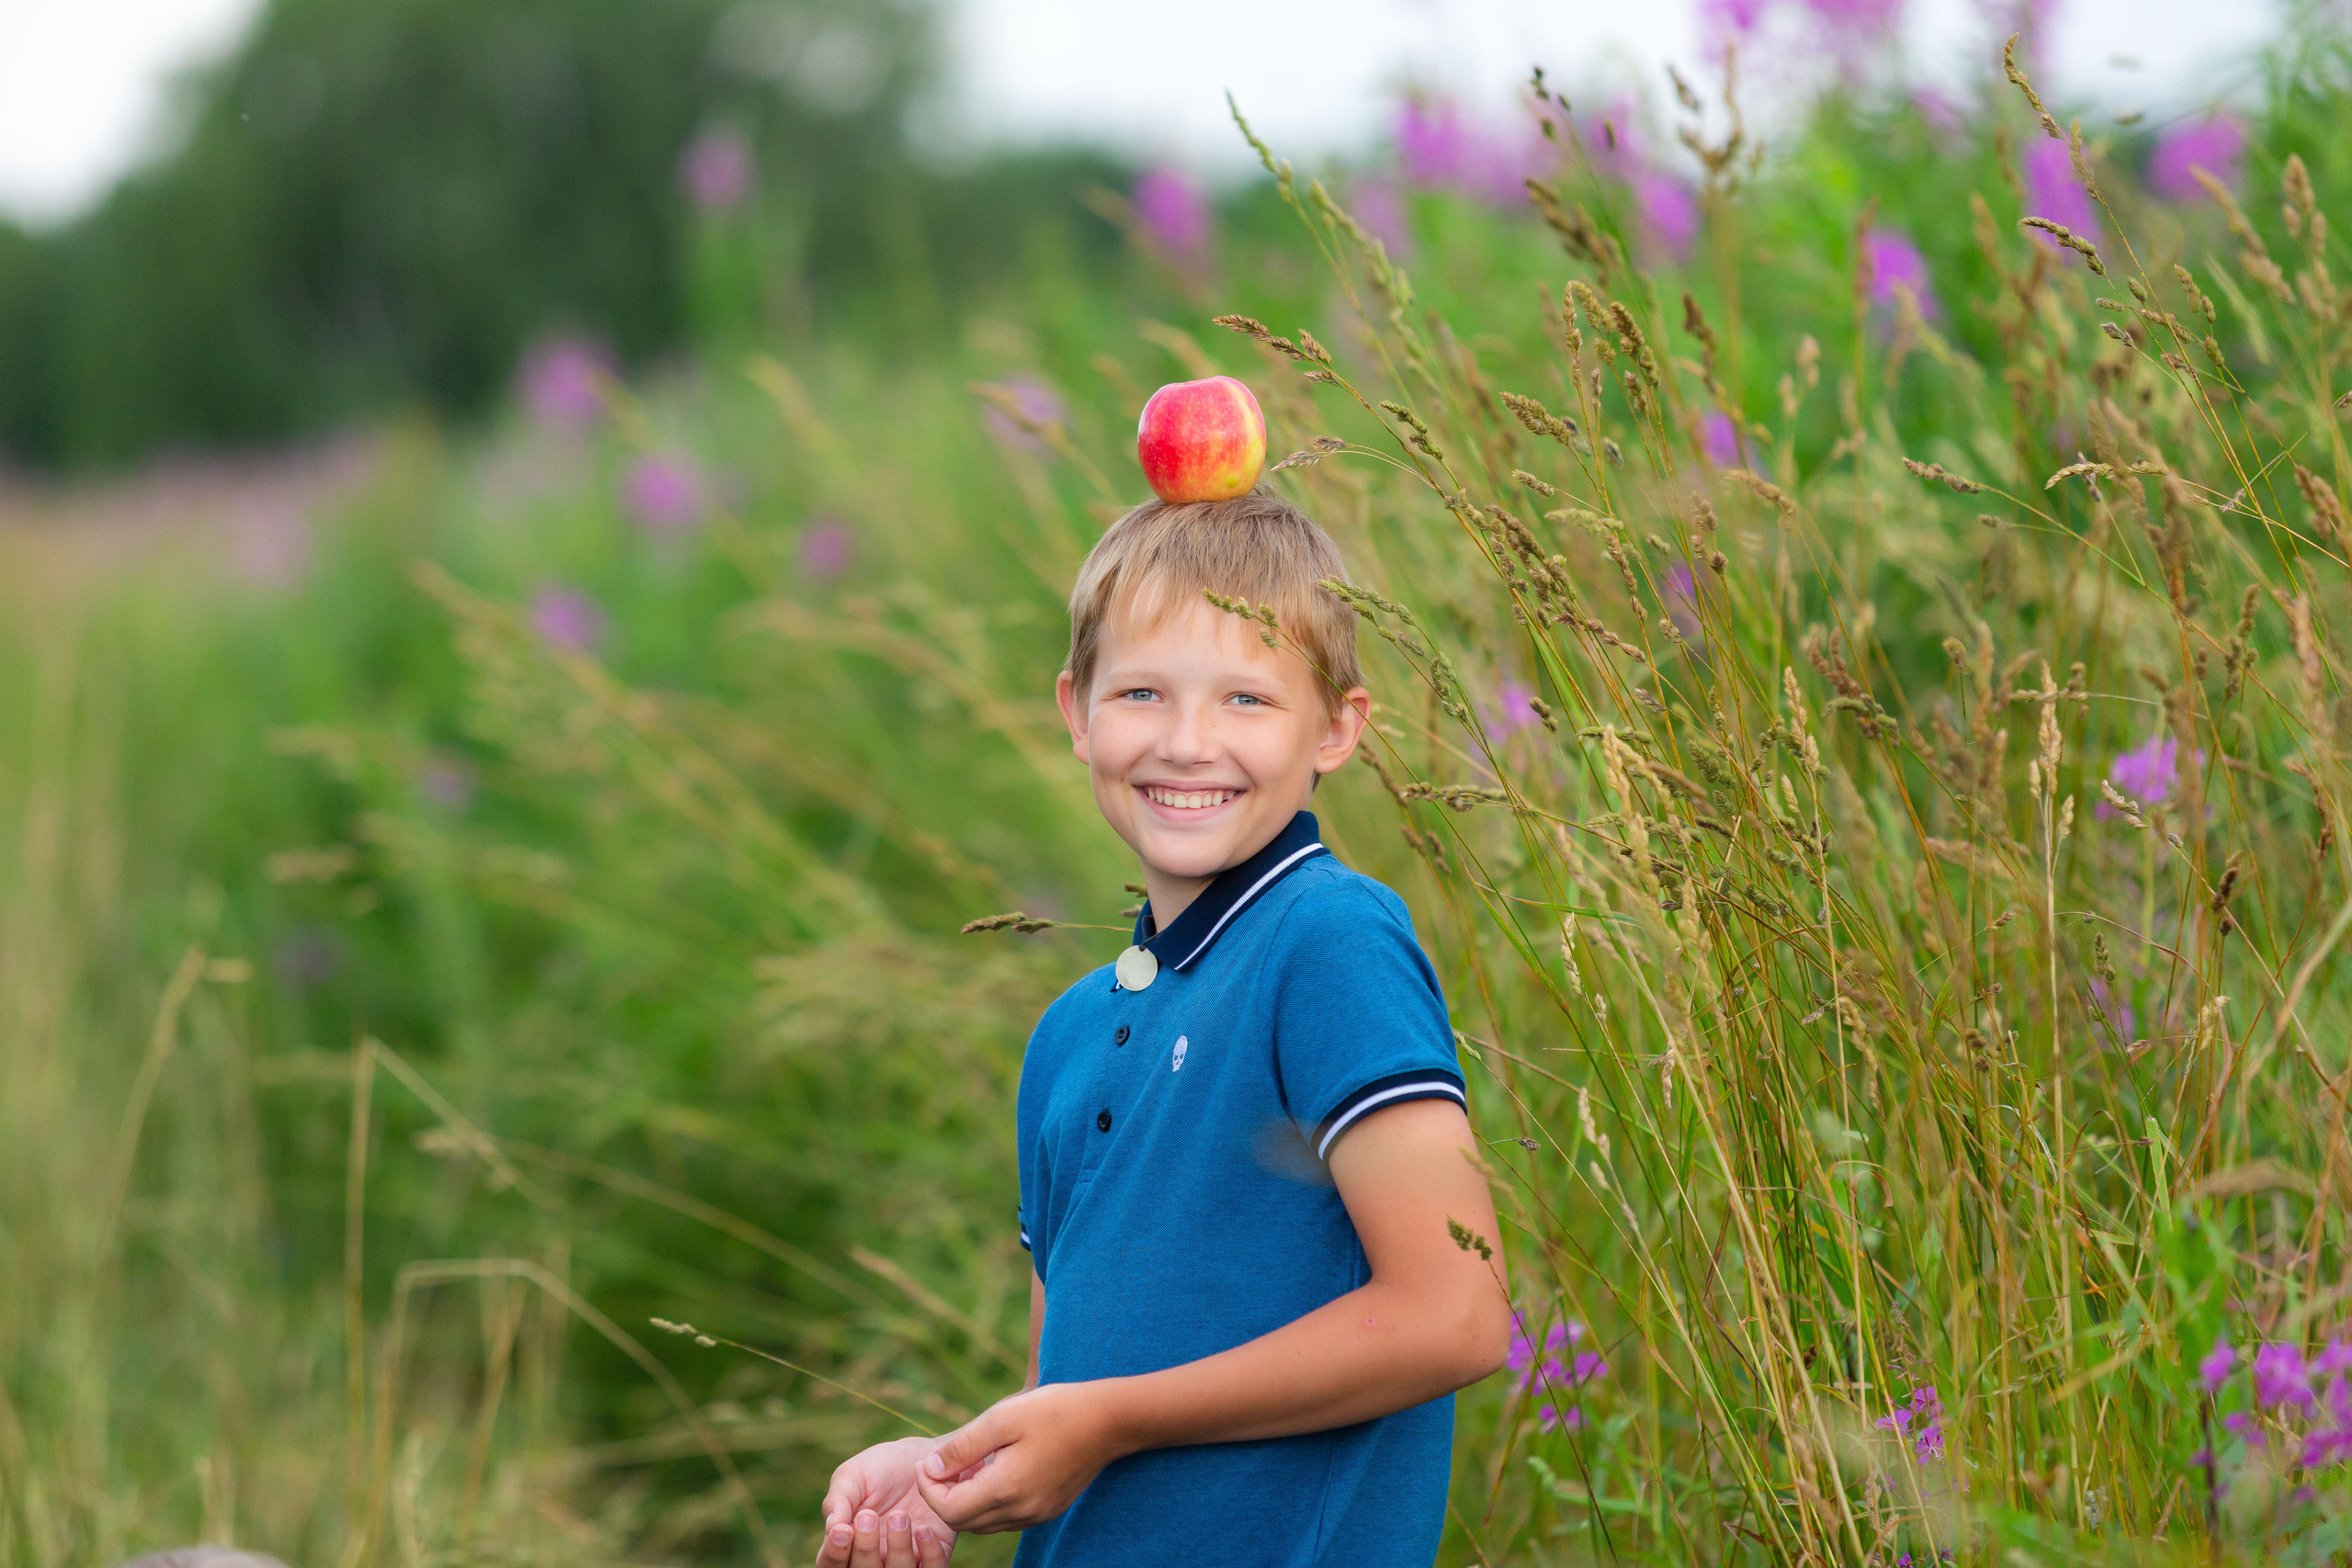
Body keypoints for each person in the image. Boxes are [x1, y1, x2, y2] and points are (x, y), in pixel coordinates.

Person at [814, 486, 1510, 1567]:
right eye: (1142, 691)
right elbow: (1076, 1398)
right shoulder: (1069, 1034)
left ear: (1337, 727)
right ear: (1075, 711)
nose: (1188, 743)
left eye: (1245, 699)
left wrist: (1107, 1421)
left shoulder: (1327, 942)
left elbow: (1456, 1315)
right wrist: (948, 1471)